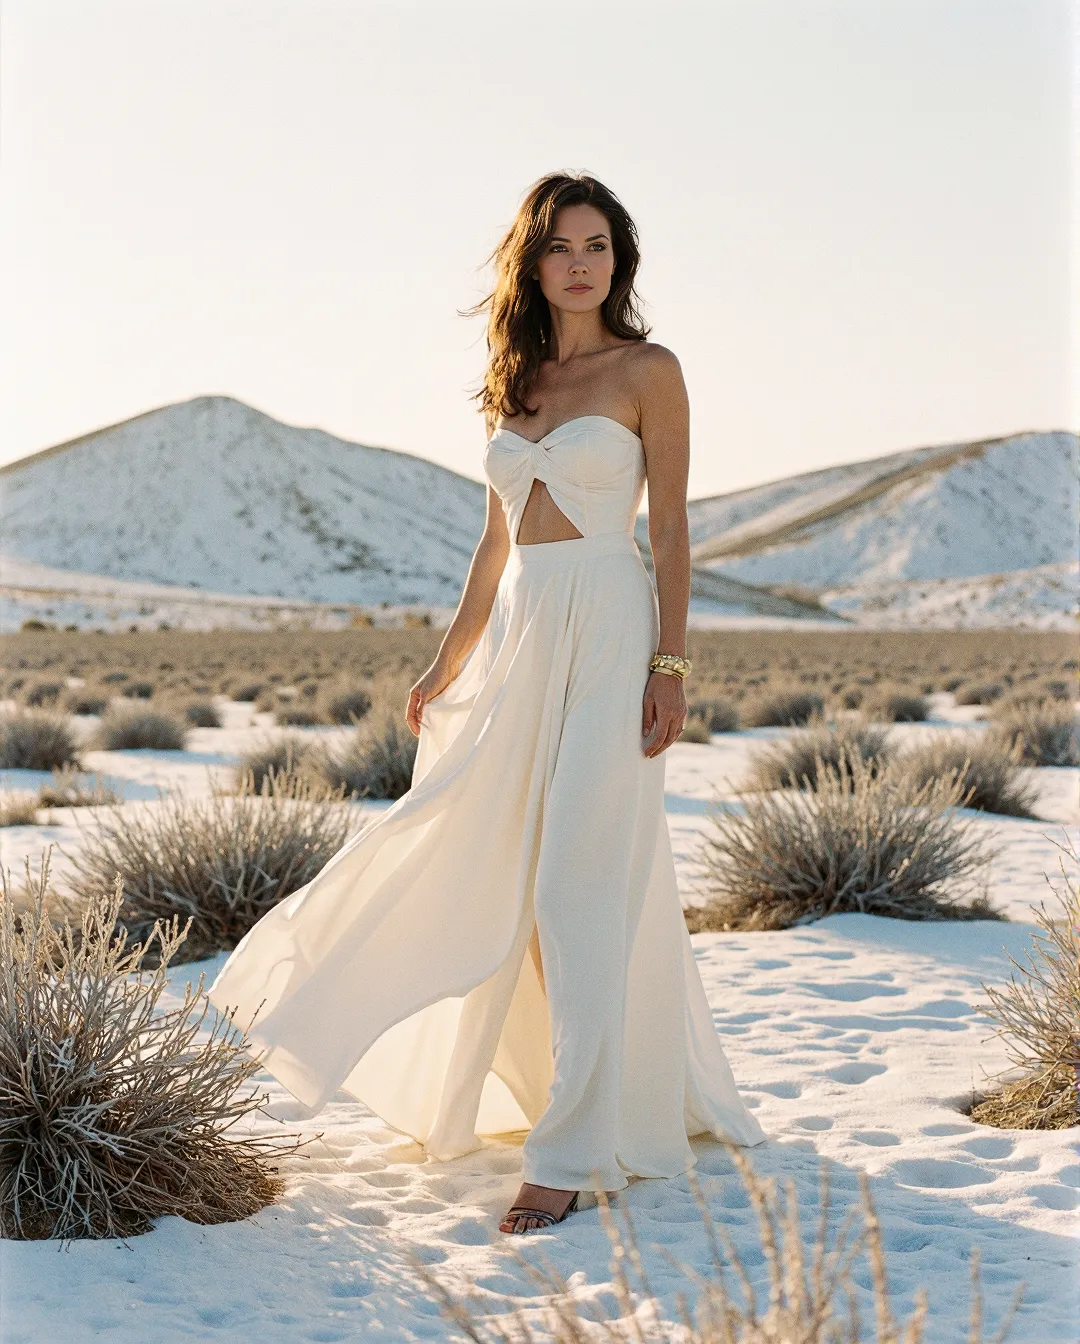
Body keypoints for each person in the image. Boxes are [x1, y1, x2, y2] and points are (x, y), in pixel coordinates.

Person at [207, 170, 766, 1239]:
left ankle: (571, 1150)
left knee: (578, 888)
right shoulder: (516, 379)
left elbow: (678, 532)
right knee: (474, 861)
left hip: (610, 624)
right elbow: (494, 544)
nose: (582, 262)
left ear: (621, 259)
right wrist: (444, 663)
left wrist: (673, 667)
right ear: (534, 263)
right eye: (562, 246)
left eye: (599, 244)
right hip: (520, 635)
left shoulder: (652, 370)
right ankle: (347, 1008)